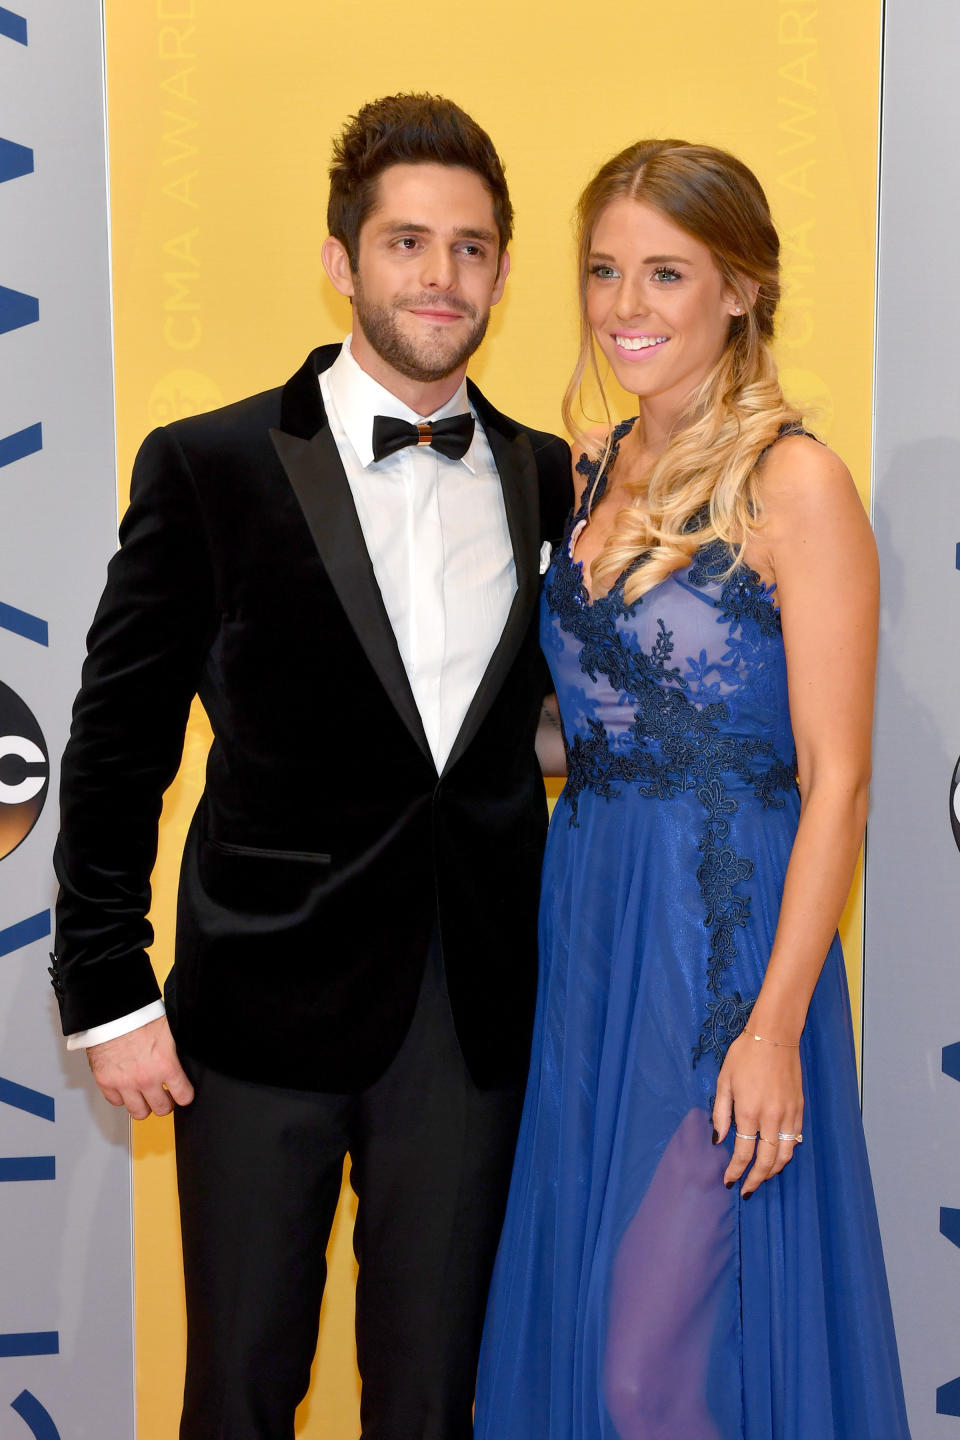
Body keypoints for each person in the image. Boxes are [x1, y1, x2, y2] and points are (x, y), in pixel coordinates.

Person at [50, 93, 571, 1440]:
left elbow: (542, 726)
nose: (440, 277)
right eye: (406, 243)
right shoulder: (210, 465)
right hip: (258, 1007)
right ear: (343, 261)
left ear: (501, 273)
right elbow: (116, 745)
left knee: (429, 1399)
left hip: (471, 1016)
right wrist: (106, 983)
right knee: (238, 1392)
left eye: (469, 248)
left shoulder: (550, 478)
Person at [474, 140, 911, 1440]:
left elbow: (838, 784)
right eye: (605, 271)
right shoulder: (590, 466)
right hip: (593, 936)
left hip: (722, 958)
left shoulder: (795, 484)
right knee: (590, 1330)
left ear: (741, 288)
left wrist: (772, 1031)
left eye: (666, 273)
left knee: (652, 1368)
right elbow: (590, 723)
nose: (626, 307)